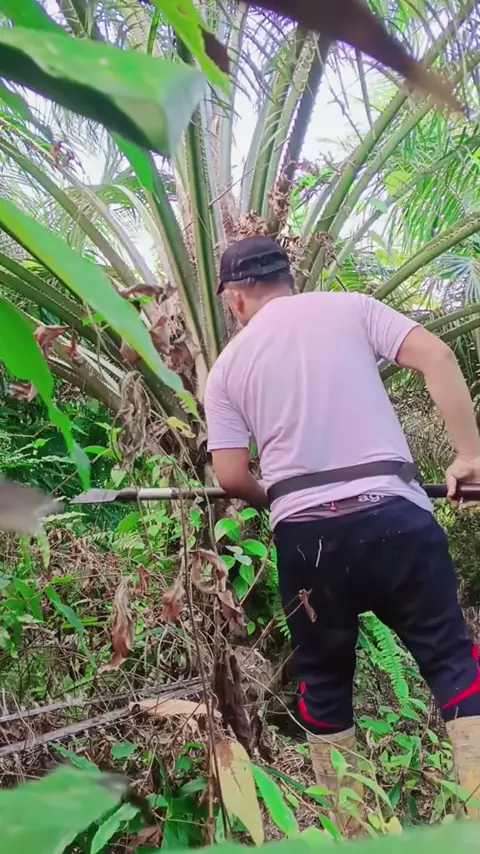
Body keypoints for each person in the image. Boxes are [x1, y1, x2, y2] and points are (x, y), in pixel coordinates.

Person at [204, 235, 480, 833]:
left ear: (234, 298)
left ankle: (354, 836)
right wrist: (468, 457)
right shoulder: (351, 307)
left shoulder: (228, 367)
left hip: (309, 544)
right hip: (397, 515)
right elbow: (437, 356)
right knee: (454, 663)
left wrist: (281, 497)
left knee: (325, 686)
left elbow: (230, 476)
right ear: (288, 278)